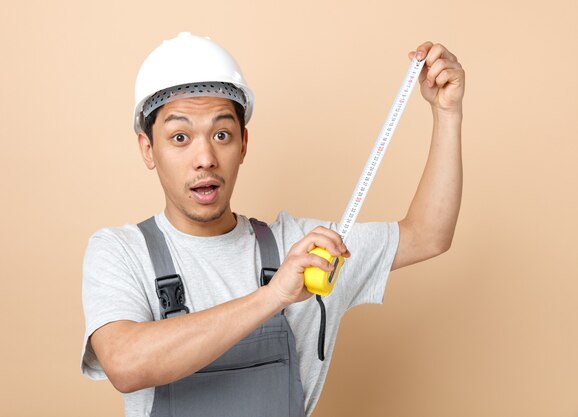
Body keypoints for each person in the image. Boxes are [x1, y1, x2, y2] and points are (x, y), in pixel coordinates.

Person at [81, 32, 464, 417]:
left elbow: (428, 234)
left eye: (221, 134)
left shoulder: (304, 249)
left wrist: (447, 113)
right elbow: (125, 365)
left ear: (243, 144)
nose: (205, 158)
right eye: (180, 137)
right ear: (149, 149)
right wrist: (273, 296)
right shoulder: (121, 251)